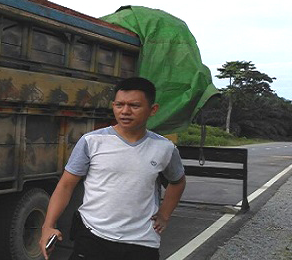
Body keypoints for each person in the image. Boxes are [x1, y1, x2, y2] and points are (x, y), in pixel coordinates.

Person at [40, 77, 186, 260]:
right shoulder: (92, 141)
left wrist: (164, 214)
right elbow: (65, 186)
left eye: (134, 106)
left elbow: (178, 182)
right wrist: (48, 225)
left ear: (153, 110)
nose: (125, 111)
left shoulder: (165, 148)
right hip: (93, 235)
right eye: (119, 105)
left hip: (142, 242)